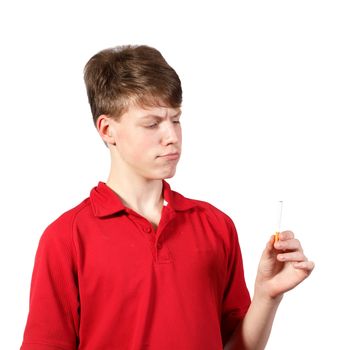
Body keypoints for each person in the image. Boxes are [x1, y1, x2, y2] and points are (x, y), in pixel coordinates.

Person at [20, 45, 314, 350]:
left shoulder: (215, 226)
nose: (171, 136)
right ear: (107, 129)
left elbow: (236, 346)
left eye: (175, 119)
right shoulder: (66, 238)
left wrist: (267, 295)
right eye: (152, 123)